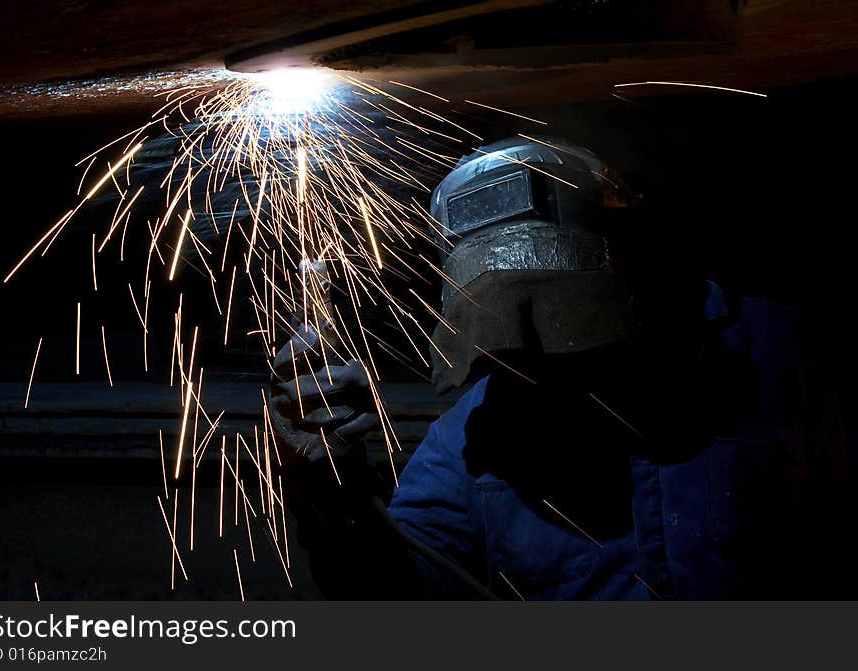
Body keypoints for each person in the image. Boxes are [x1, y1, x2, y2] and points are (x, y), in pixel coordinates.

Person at [268, 137, 810, 600]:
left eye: (573, 335)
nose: (551, 372)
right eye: (520, 345)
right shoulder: (471, 438)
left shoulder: (790, 357)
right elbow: (395, 597)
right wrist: (333, 495)